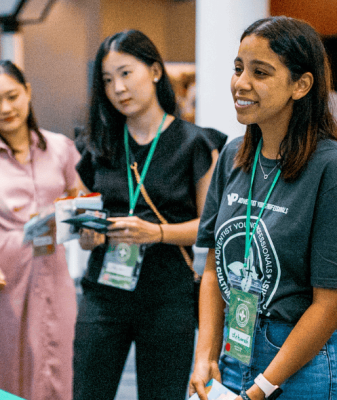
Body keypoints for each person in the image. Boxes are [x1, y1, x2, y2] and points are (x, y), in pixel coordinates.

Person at [72, 30, 226, 400]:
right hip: (104, 290)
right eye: (108, 80)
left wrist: (155, 232)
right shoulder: (99, 143)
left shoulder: (195, 143)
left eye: (126, 73)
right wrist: (87, 232)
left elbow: (211, 227)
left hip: (168, 293)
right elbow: (85, 206)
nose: (118, 88)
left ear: (155, 71)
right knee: (88, 392)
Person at [190, 16, 337, 400]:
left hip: (298, 363)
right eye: (238, 69)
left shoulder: (329, 167)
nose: (241, 83)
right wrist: (204, 351)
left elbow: (329, 305)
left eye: (261, 72)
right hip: (232, 350)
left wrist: (263, 387)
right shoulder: (232, 158)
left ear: (301, 85)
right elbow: (211, 266)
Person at [0, 59, 80, 400]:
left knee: (57, 354)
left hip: (52, 266)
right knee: (2, 360)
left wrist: (73, 219)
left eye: (12, 96)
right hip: (1, 273)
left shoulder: (60, 148)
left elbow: (78, 195)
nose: (6, 108)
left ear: (27, 93)